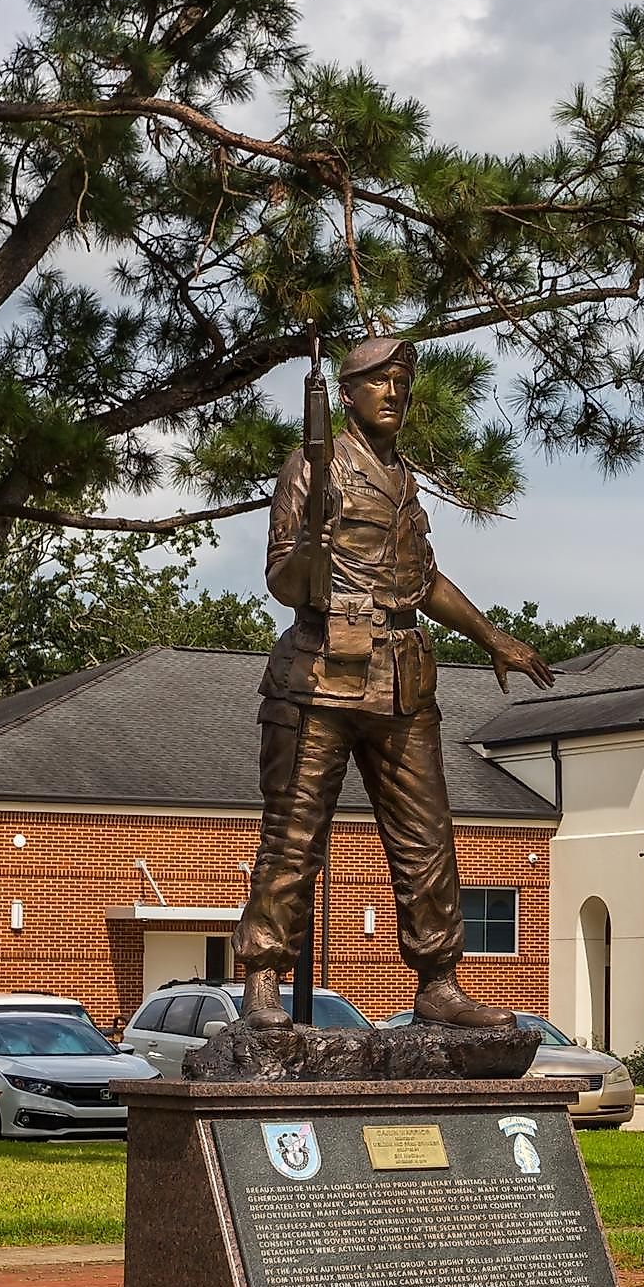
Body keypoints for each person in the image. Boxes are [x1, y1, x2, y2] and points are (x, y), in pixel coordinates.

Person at [233, 336, 554, 1028]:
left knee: (426, 838)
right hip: (319, 676)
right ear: (345, 396)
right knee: (292, 837)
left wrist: (493, 638)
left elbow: (422, 579)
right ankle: (262, 978)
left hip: (403, 679)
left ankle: (438, 981)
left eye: (402, 384)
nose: (394, 394)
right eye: (379, 382)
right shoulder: (311, 468)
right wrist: (314, 545)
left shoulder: (403, 478)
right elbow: (282, 581)